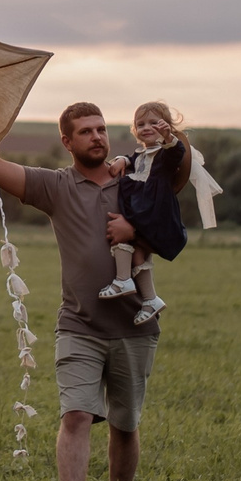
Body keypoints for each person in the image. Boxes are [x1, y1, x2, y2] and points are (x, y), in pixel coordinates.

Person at [0, 72, 189, 481]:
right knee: (76, 414)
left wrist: (135, 227)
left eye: (101, 129)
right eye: (85, 132)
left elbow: (174, 211)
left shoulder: (135, 176)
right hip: (79, 324)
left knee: (124, 424)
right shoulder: (54, 187)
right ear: (67, 141)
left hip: (136, 327)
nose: (96, 137)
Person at [97, 101, 192, 326]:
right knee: (137, 253)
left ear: (166, 126)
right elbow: (134, 161)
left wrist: (168, 138)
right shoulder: (142, 154)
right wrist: (123, 159)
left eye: (154, 123)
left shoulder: (165, 155)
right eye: (140, 124)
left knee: (123, 234)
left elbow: (176, 153)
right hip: (141, 209)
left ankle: (123, 280)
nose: (146, 127)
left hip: (153, 212)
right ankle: (150, 299)